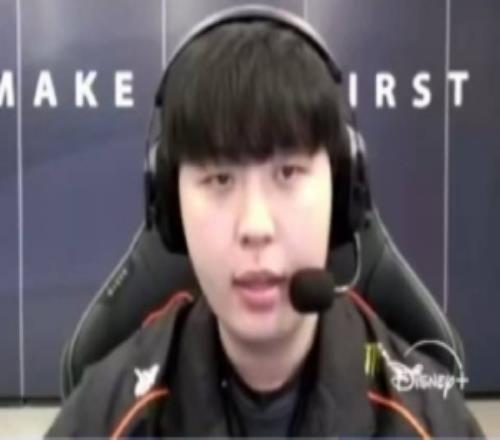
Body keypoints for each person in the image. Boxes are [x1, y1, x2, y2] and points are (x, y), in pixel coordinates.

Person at [46, 7, 484, 438]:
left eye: (288, 173)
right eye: (220, 178)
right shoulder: (102, 420)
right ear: (171, 206)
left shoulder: (433, 426)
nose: (256, 226)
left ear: (341, 189)